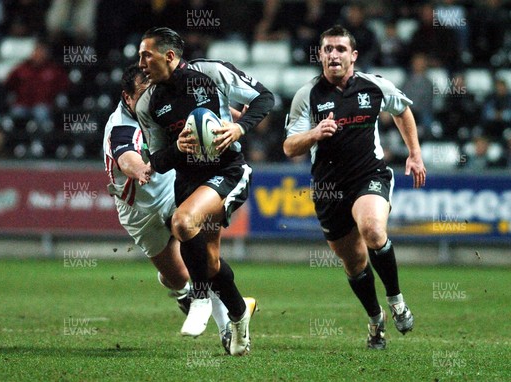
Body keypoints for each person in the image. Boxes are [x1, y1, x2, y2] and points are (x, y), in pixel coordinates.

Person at [283, 25, 426, 350]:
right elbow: (290, 147)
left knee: (374, 231)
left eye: (341, 49)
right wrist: (314, 134)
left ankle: (397, 301)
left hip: (369, 176)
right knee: (355, 262)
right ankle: (376, 320)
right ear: (319, 55)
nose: (334, 54)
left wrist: (415, 154)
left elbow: (402, 110)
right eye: (328, 49)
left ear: (353, 55)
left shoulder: (373, 86)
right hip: (328, 189)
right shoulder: (307, 95)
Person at [136, 27, 274, 356]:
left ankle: (199, 298)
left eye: (146, 55)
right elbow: (156, 160)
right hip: (188, 180)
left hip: (227, 171)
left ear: (169, 56)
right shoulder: (148, 103)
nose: (141, 61)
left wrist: (239, 126)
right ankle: (240, 314)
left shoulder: (210, 73)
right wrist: (178, 148)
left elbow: (264, 98)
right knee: (210, 264)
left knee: (182, 222)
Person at [104, 64, 256, 353]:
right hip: (139, 209)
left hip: (176, 187)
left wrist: (236, 119)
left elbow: (206, 117)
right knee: (179, 277)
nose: (152, 98)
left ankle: (230, 328)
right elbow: (126, 156)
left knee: (205, 260)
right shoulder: (123, 125)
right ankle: (195, 297)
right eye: (143, 94)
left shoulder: (166, 103)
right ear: (127, 98)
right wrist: (141, 169)